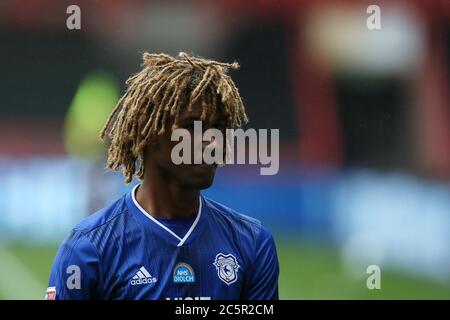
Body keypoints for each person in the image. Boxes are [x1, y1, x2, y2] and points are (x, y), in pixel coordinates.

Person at [46, 52, 279, 300]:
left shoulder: (252, 244)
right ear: (149, 133)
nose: (212, 140)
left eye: (219, 127)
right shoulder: (87, 249)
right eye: (191, 126)